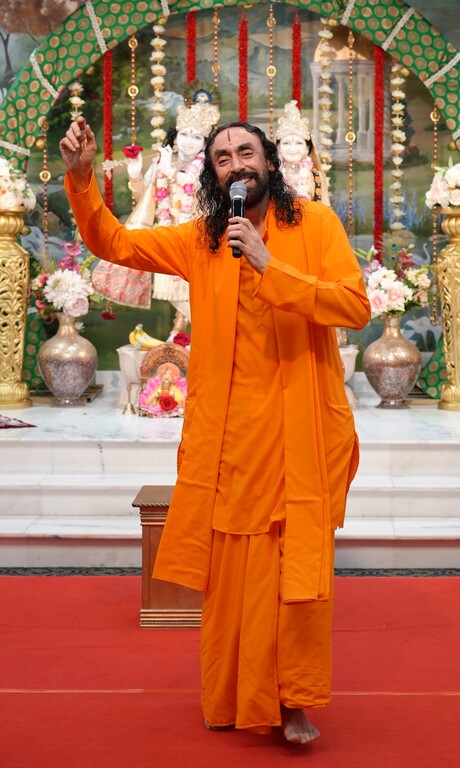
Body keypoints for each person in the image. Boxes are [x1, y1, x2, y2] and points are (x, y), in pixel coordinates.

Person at [60, 115, 371, 745]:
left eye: (246, 152)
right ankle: (229, 692)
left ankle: (293, 702)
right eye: (223, 157)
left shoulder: (315, 225)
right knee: (232, 573)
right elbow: (115, 243)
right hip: (229, 435)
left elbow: (355, 305)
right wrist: (82, 178)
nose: (236, 164)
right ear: (213, 174)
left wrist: (268, 264)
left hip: (299, 428)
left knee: (295, 569)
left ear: (270, 162)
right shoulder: (202, 240)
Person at [126, 101, 220, 336]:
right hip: (167, 235)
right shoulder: (162, 163)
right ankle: (208, 336)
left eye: (197, 137)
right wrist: (135, 174)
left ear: (204, 144)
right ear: (175, 138)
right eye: (185, 134)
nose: (189, 141)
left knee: (195, 296)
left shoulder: (209, 167)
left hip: (197, 239)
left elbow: (201, 193)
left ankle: (211, 336)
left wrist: (171, 172)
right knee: (176, 295)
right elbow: (146, 200)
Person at [276, 100, 330, 206]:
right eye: (286, 143)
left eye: (299, 143)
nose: (292, 148)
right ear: (278, 148)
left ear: (307, 148)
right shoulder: (271, 176)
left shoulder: (316, 177)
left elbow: (325, 209)